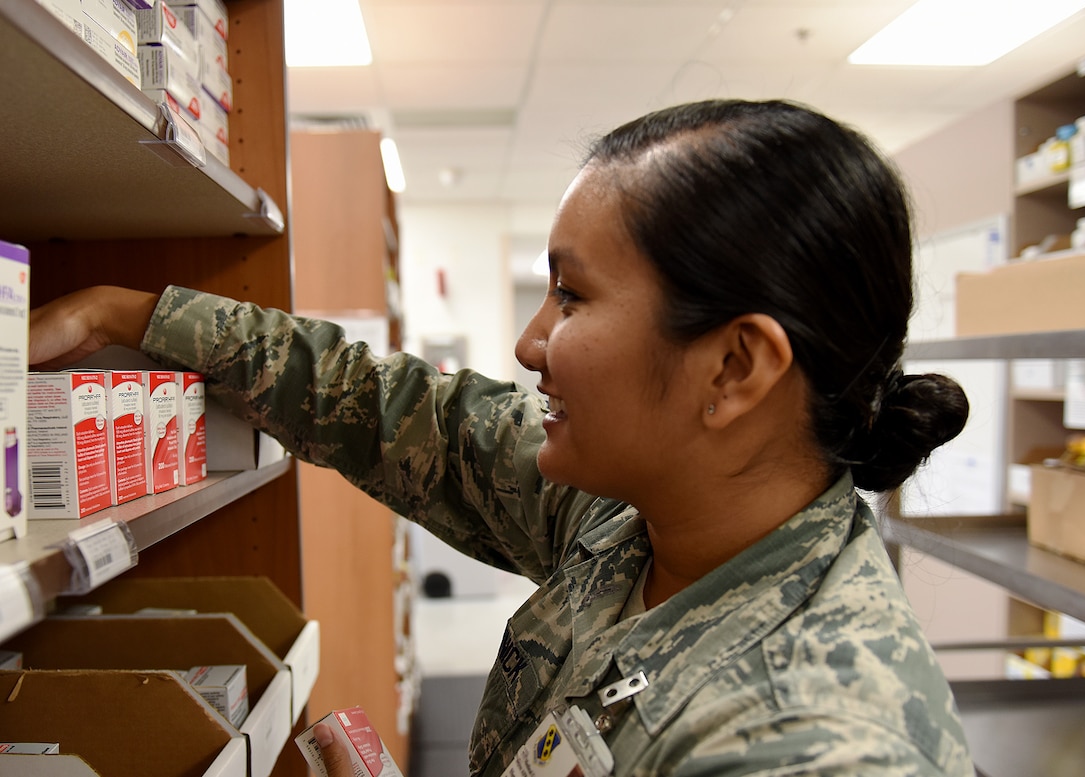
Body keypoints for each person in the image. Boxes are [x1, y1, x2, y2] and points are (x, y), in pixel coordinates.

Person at [30, 99, 974, 776]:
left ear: (733, 368)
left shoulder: (806, 740)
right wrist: (126, 313)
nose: (530, 342)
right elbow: (396, 411)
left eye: (572, 296)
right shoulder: (634, 516)